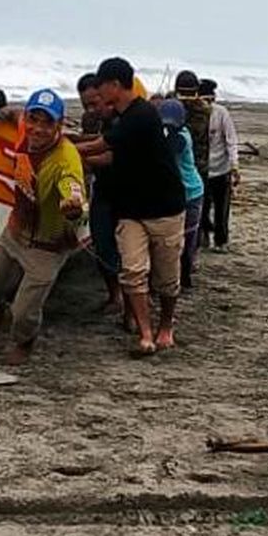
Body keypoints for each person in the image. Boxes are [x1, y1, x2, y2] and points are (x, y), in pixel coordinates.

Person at [77, 57, 185, 355]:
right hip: (131, 209)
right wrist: (76, 153)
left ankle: (165, 326)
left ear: (114, 85)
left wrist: (64, 150)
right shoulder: (124, 118)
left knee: (166, 278)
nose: (98, 93)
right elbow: (111, 156)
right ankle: (145, 334)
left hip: (164, 207)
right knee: (133, 271)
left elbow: (101, 146)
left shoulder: (141, 115)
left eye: (101, 86)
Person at [0, 88, 87, 365]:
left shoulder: (65, 157)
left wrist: (73, 204)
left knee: (25, 312)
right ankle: (0, 313)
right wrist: (0, 113)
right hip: (14, 231)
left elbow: (73, 186)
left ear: (59, 126)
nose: (38, 129)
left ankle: (25, 342)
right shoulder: (24, 131)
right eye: (33, 119)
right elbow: (14, 116)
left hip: (48, 244)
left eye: (47, 123)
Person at [74, 72, 124, 314]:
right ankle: (114, 295)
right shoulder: (91, 119)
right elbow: (94, 138)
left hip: (127, 192)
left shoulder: (122, 119)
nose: (91, 109)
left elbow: (109, 154)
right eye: (86, 105)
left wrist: (74, 156)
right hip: (102, 190)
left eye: (95, 103)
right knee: (102, 244)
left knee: (128, 248)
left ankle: (130, 299)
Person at [157, 99, 205, 289]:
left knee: (187, 238)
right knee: (173, 241)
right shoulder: (170, 134)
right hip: (176, 193)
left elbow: (167, 152)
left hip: (191, 192)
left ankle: (185, 277)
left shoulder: (181, 137)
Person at [199, 78, 240, 253]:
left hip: (221, 168)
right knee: (202, 207)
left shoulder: (221, 113)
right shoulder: (194, 115)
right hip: (202, 169)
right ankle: (204, 237)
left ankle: (221, 240)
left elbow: (231, 140)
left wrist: (234, 165)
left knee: (221, 209)